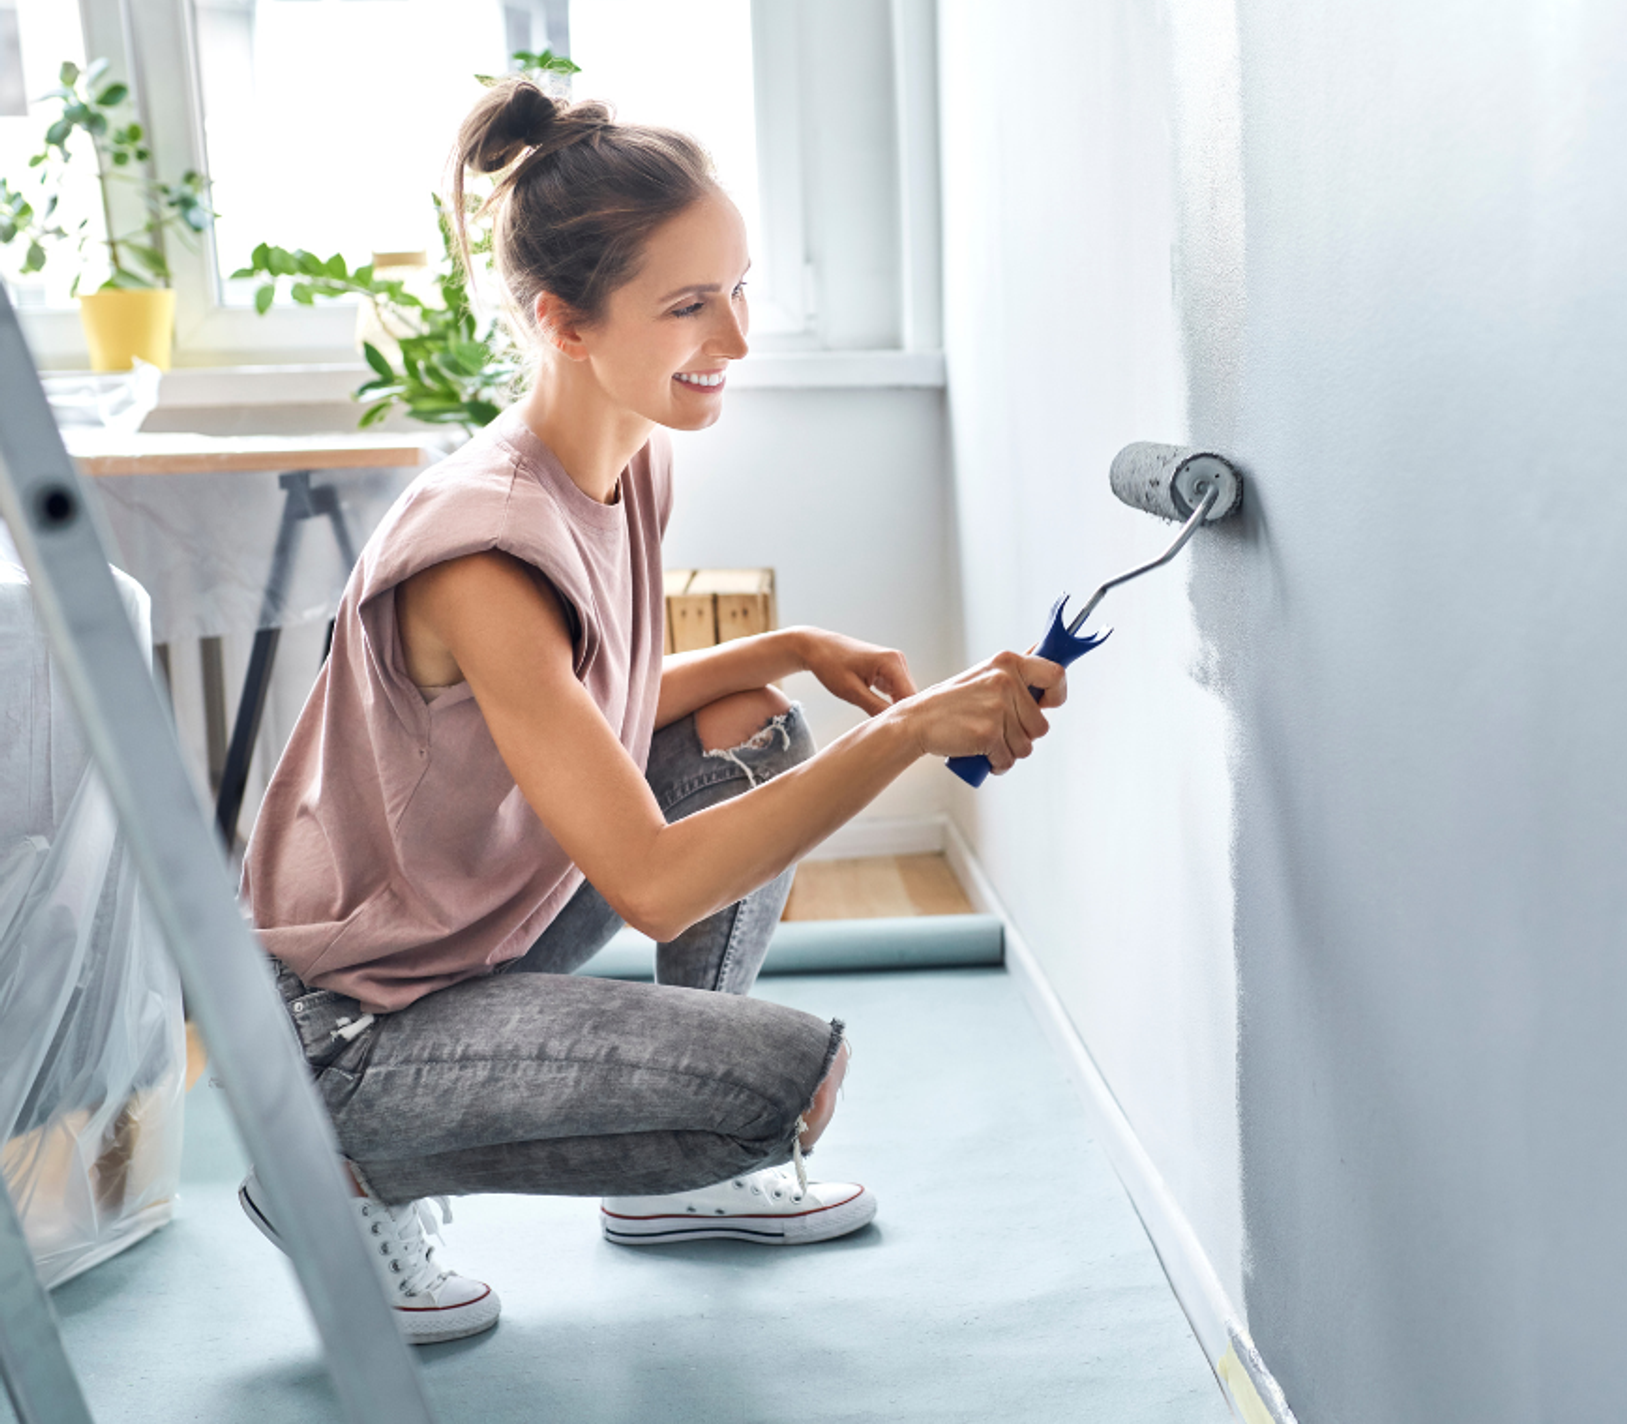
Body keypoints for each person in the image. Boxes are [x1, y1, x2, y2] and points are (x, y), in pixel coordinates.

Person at [238, 79, 1067, 1344]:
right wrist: (906, 732)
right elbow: (655, 884)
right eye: (687, 306)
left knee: (746, 714)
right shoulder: (485, 554)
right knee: (780, 1084)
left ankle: (685, 1200)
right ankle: (344, 1174)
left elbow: (588, 718)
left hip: (465, 926)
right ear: (562, 324)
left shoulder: (629, 459)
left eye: (735, 286)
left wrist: (784, 648)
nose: (733, 336)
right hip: (353, 1025)